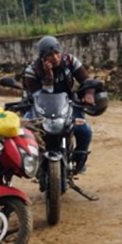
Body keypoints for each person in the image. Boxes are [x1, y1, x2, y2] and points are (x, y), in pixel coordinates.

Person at [22, 35, 97, 173]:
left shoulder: (70, 61)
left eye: (57, 53)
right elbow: (38, 96)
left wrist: (88, 94)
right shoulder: (32, 70)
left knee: (84, 130)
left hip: (67, 105)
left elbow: (86, 79)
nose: (55, 57)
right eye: (50, 55)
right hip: (40, 108)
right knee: (25, 131)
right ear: (42, 57)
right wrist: (48, 78)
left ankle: (79, 160)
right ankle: (32, 162)